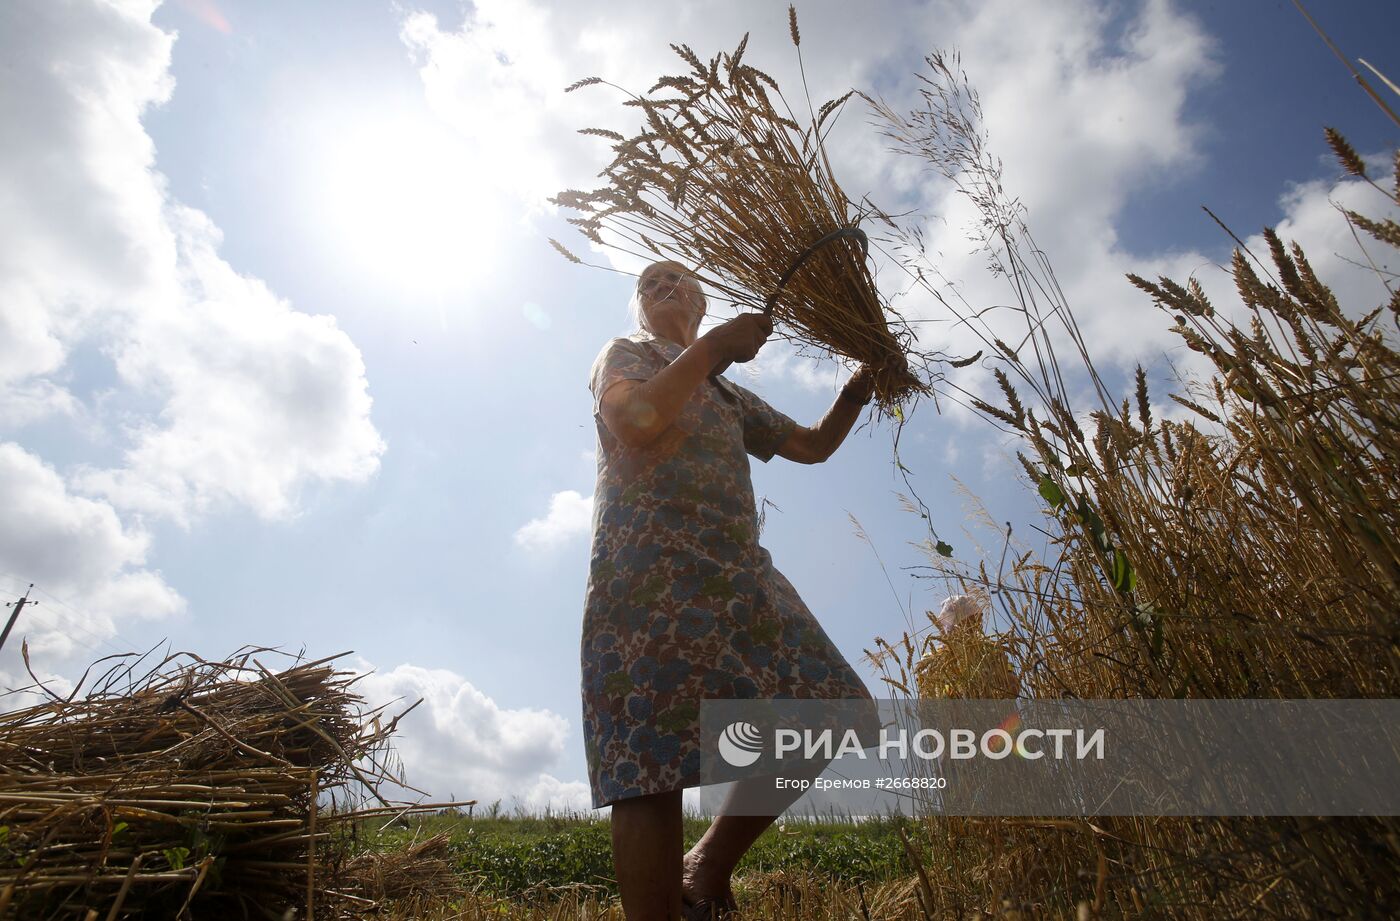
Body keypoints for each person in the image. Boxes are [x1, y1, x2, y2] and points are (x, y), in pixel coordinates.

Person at [581, 260, 875, 920]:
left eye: (675, 278)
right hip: (647, 571)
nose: (661, 286)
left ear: (701, 297)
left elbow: (814, 444)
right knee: (649, 762)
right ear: (639, 307)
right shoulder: (627, 353)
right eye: (649, 283)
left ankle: (706, 865)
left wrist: (862, 383)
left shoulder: (729, 394)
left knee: (831, 707)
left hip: (736, 571)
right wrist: (715, 349)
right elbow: (634, 420)